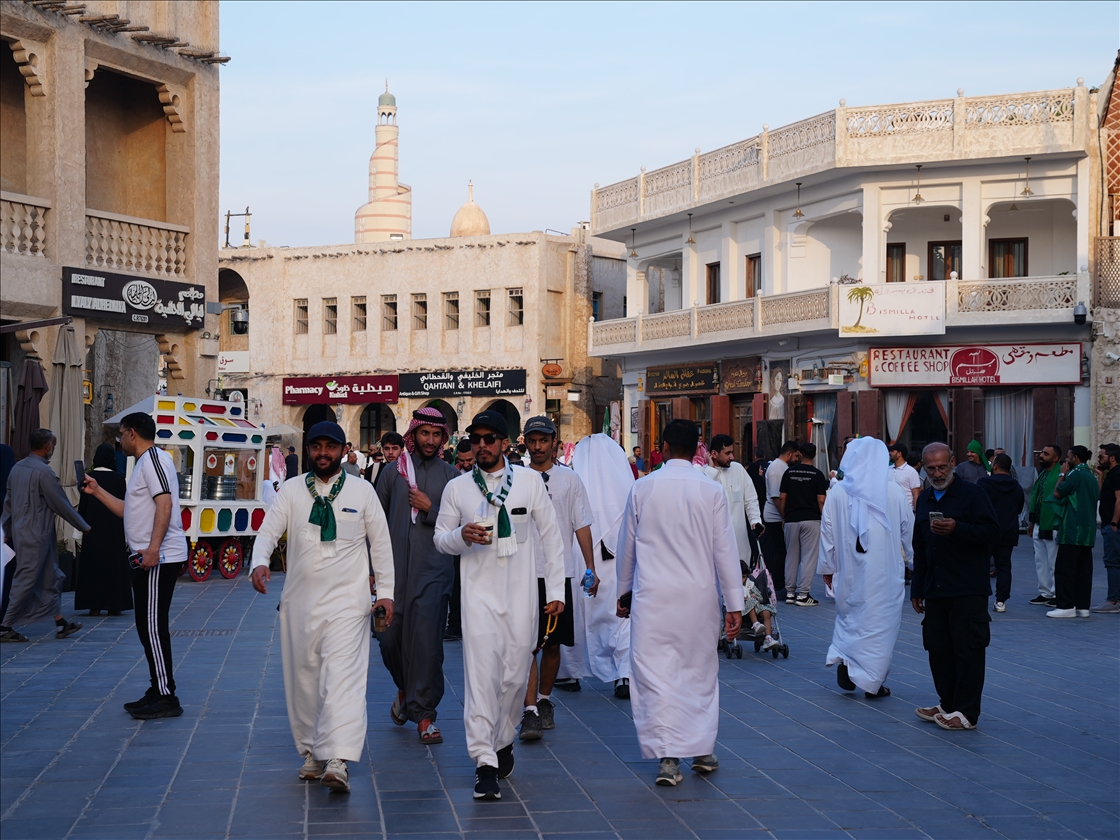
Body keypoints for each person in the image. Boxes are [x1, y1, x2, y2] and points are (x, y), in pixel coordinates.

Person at [250, 420, 395, 793]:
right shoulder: (293, 491)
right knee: (305, 680)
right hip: (300, 604)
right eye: (316, 447)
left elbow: (380, 545)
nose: (323, 453)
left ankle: (338, 758)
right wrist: (259, 561)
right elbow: (268, 530)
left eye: (330, 447)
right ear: (309, 449)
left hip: (349, 604)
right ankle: (313, 752)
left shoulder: (363, 492)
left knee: (343, 678)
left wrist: (387, 593)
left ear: (343, 450)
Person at [433, 410, 565, 801]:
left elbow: (552, 538)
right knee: (480, 680)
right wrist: (461, 535)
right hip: (477, 601)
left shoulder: (528, 482)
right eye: (477, 439)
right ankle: (484, 762)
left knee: (513, 678)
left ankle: (503, 738)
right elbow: (440, 539)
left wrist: (556, 590)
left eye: (491, 439)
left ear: (506, 443)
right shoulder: (459, 489)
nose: (483, 445)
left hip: (521, 599)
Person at [615, 419, 743, 786]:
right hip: (698, 598)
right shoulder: (710, 490)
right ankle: (702, 749)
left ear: (665, 447)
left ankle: (668, 756)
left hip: (653, 597)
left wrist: (623, 594)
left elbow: (627, 550)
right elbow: (725, 551)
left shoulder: (642, 488)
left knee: (655, 674)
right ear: (698, 449)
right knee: (699, 672)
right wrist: (733, 603)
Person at [82, 413, 190, 719]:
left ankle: (167, 696)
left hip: (158, 557)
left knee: (153, 628)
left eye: (120, 434)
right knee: (146, 626)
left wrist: (154, 549)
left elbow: (165, 504)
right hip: (147, 557)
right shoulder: (144, 463)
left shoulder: (154, 460)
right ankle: (158, 687)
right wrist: (97, 491)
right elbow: (129, 511)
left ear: (132, 434)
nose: (118, 440)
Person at [376, 407, 460, 745]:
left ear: (443, 438)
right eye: (424, 433)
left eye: (435, 435)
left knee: (426, 646)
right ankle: (406, 689)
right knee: (387, 638)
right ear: (414, 434)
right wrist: (371, 571)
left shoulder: (452, 477)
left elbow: (456, 528)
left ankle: (424, 715)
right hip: (392, 574)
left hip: (433, 573)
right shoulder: (390, 473)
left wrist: (431, 509)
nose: (429, 440)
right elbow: (375, 523)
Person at [912, 442, 1000, 731]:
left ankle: (967, 712)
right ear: (923, 467)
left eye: (942, 467)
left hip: (967, 588)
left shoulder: (973, 494)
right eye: (931, 468)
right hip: (936, 587)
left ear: (952, 463)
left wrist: (957, 528)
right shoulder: (925, 499)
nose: (937, 473)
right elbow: (920, 545)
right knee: (938, 648)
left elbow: (993, 532)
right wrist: (917, 588)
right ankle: (947, 702)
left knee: (967, 650)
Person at [518, 416, 596, 742]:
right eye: (532, 440)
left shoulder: (570, 480)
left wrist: (590, 567)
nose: (537, 446)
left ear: (553, 441)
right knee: (525, 646)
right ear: (525, 442)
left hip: (558, 573)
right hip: (523, 574)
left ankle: (545, 700)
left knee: (552, 644)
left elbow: (582, 525)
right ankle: (530, 710)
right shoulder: (516, 479)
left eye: (543, 440)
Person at [819, 437, 913, 698]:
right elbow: (909, 531)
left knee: (851, 619)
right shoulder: (893, 491)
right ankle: (873, 680)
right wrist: (917, 563)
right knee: (881, 628)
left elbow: (827, 533)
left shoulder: (837, 492)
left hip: (849, 573)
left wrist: (828, 566)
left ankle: (849, 662)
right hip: (886, 574)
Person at [0, 428, 89, 643]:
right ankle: (4, 626)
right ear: (47, 446)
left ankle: (60, 623)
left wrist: (6, 529)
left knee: (50, 576)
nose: (54, 449)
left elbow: (8, 503)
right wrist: (83, 526)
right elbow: (61, 503)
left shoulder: (16, 468)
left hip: (28, 533)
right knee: (26, 579)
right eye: (54, 445)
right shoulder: (44, 472)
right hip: (36, 534)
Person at [568, 434, 635, 698]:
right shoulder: (629, 490)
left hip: (585, 561)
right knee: (622, 617)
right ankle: (624, 673)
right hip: (620, 565)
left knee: (582, 613)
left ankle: (570, 670)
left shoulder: (575, 486)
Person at [74, 444, 133, 617]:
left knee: (94, 566)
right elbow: (125, 507)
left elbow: (83, 507)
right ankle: (114, 604)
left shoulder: (89, 478)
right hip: (114, 532)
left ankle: (94, 605)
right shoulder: (118, 479)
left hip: (92, 531)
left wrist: (79, 531)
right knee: (113, 567)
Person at [700, 433, 763, 580]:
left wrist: (755, 520)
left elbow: (751, 499)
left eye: (732, 452)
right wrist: (711, 471)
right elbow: (702, 498)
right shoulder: (702, 474)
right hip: (712, 543)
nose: (732, 457)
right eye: (727, 453)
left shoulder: (738, 469)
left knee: (739, 585)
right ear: (714, 454)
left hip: (738, 541)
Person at [1046, 446, 1099, 619]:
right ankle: (1083, 606)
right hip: (1088, 529)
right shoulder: (1091, 477)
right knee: (1083, 570)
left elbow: (1057, 492)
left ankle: (1066, 605)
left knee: (1065, 569)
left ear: (1075, 458)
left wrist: (1062, 474)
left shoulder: (1074, 475)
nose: (1066, 460)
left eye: (1068, 457)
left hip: (1072, 528)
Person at [779, 442, 828, 606]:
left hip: (792, 519)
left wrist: (784, 517)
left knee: (791, 556)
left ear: (799, 454)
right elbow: (821, 500)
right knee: (809, 557)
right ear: (814, 455)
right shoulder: (818, 475)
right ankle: (803, 594)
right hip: (811, 518)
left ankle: (790, 593)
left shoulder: (789, 472)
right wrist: (825, 518)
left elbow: (782, 498)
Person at [977, 454, 1024, 614]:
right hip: (1008, 530)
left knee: (981, 563)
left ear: (995, 466)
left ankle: (979, 596)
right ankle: (1001, 600)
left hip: (987, 529)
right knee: (1004, 565)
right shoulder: (1016, 486)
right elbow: (1019, 508)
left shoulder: (984, 483)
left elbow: (976, 504)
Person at [445, 438, 476, 641]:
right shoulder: (454, 478)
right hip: (459, 537)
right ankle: (455, 623)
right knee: (456, 584)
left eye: (469, 460)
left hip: (481, 539)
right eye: (462, 460)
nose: (466, 464)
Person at [761, 440, 800, 597]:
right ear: (789, 454)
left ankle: (779, 583)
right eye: (796, 456)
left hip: (777, 515)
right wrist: (784, 516)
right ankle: (778, 584)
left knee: (780, 550)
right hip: (775, 516)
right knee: (780, 551)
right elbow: (777, 497)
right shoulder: (778, 469)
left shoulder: (781, 467)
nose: (797, 459)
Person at [1027, 444, 1063, 606]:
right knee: (1040, 560)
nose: (1041, 455)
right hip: (1039, 523)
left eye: (1046, 454)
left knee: (1054, 561)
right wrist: (1032, 522)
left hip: (1053, 524)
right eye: (1042, 452)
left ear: (1055, 458)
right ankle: (1045, 592)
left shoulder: (1061, 475)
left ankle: (1057, 592)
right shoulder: (1043, 474)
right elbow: (1036, 497)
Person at [1092, 444, 1120, 613]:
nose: (1099, 459)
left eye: (1101, 456)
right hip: (1110, 524)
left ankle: (1113, 600)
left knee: (1112, 562)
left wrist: (1114, 523)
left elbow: (1119, 499)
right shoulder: (1111, 474)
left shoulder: (1118, 474)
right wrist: (1100, 475)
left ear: (1112, 457)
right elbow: (1101, 496)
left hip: (1113, 526)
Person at [888, 442, 922, 509]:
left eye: (892, 451)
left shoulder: (911, 471)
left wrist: (916, 513)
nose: (890, 453)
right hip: (890, 511)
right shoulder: (887, 470)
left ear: (899, 454)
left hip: (907, 511)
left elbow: (916, 494)